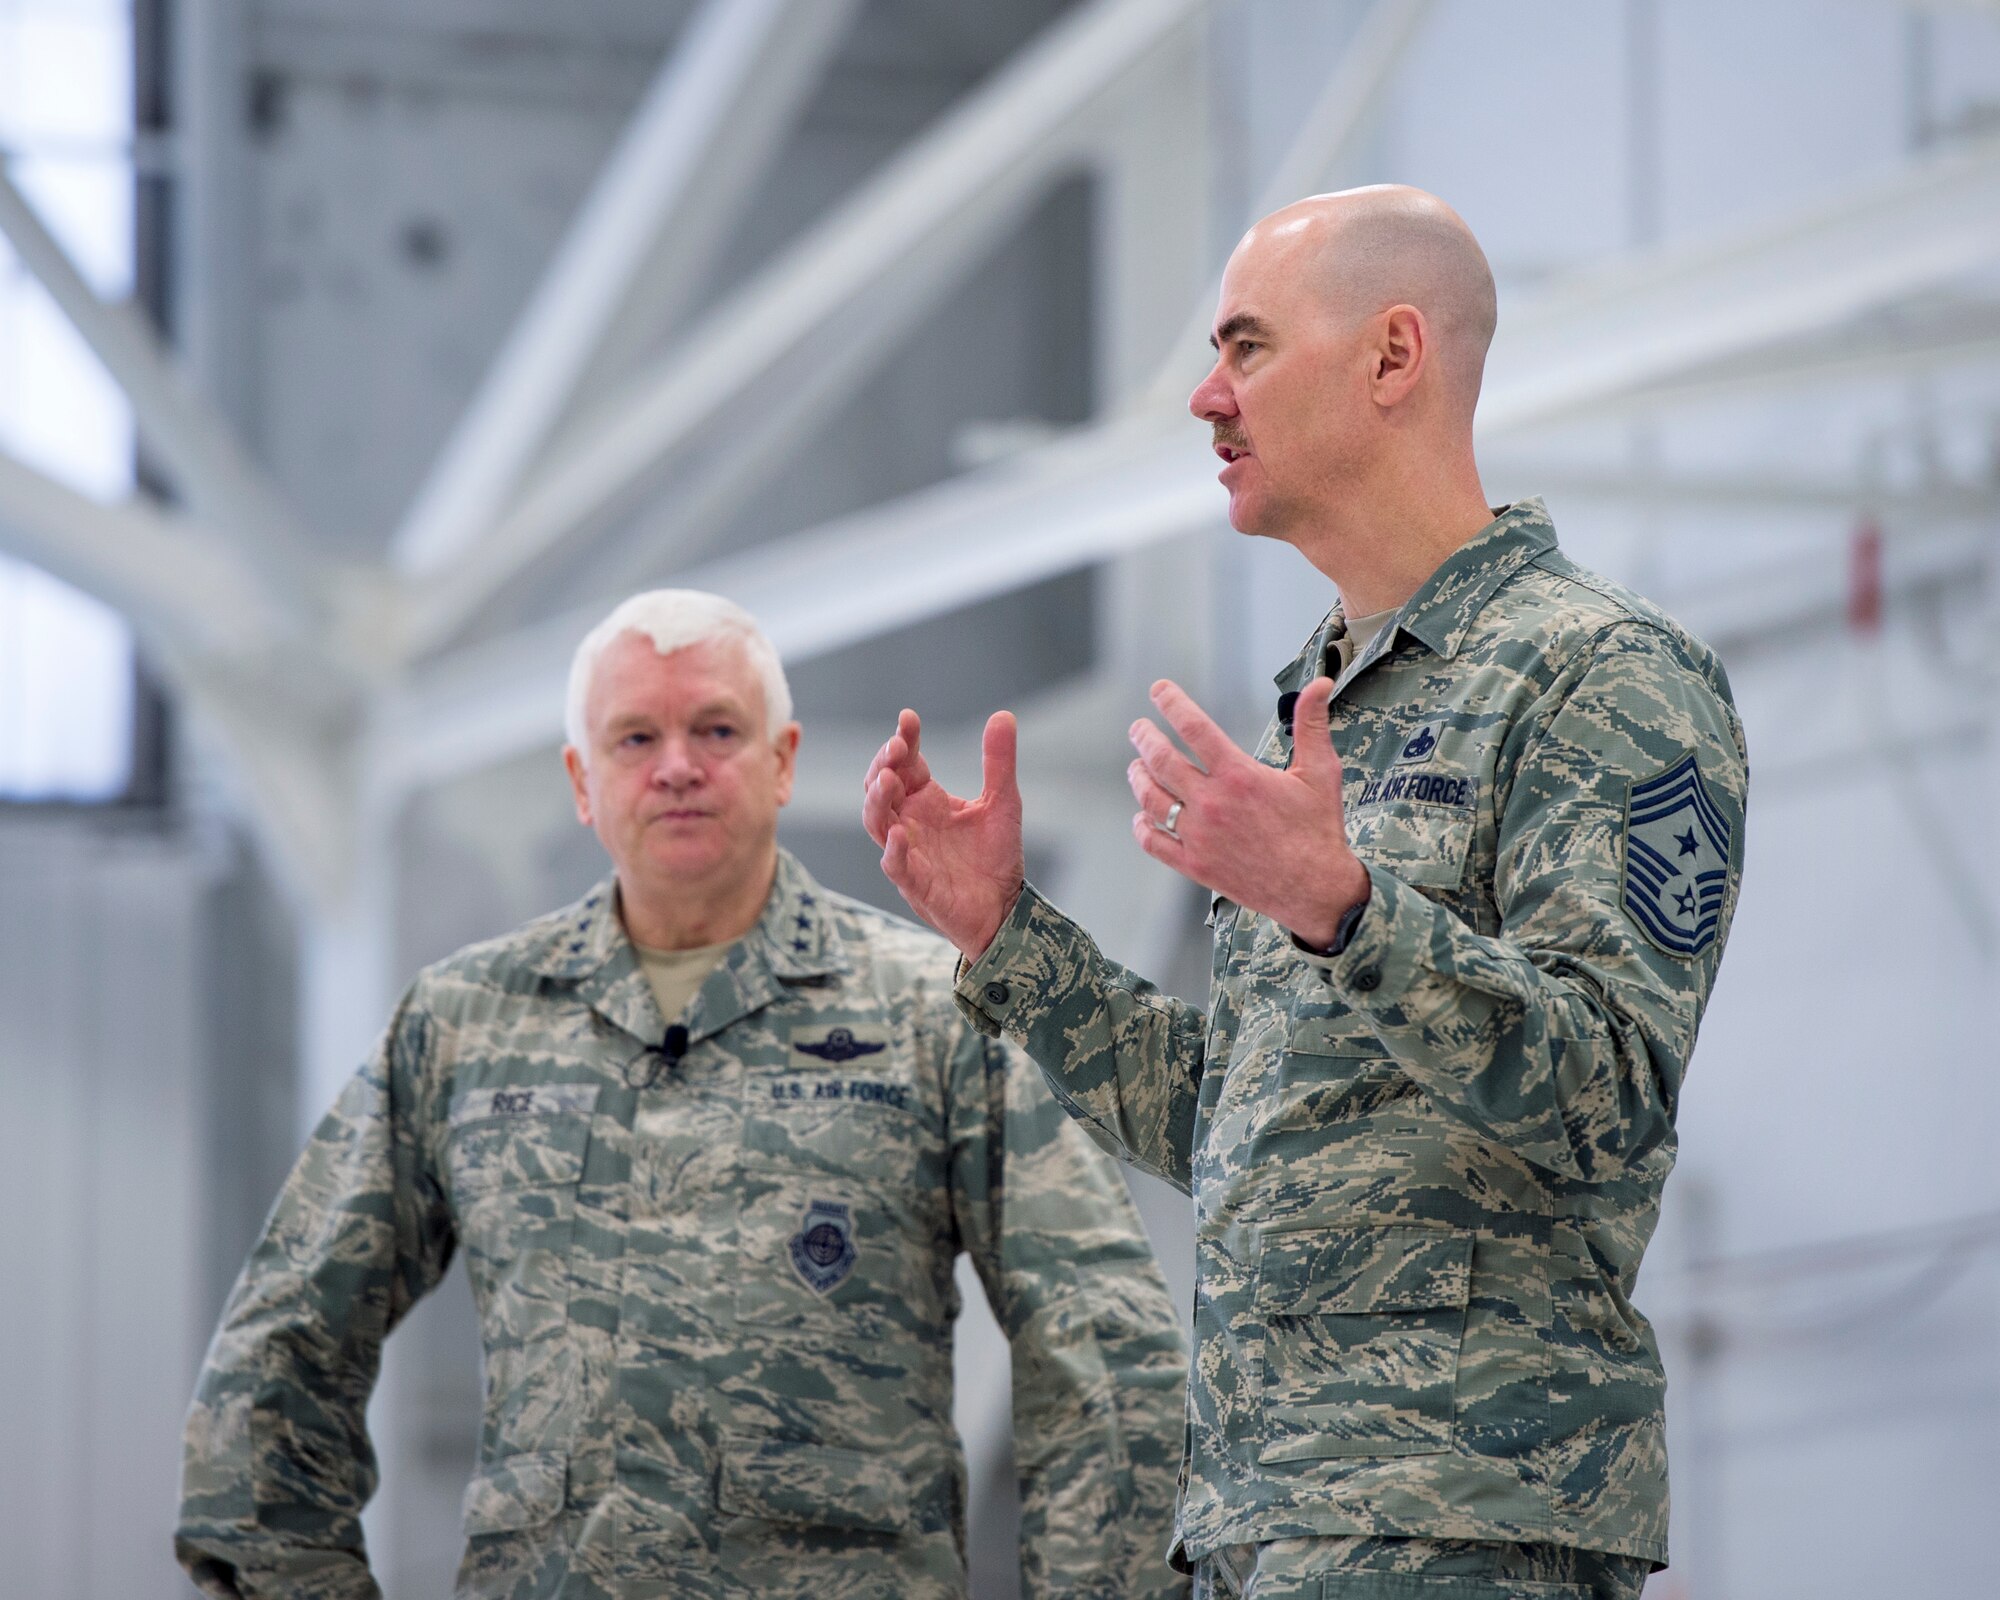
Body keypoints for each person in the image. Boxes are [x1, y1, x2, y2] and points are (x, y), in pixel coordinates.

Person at [863, 187, 1748, 1600]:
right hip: (1261, 1521)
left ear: (1394, 358)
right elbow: (1247, 1121)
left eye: (1249, 347)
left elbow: (1609, 1096)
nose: (1209, 398)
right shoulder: (1324, 707)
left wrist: (1347, 914)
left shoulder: (1607, 677)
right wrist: (1009, 942)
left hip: (1463, 1524)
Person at [177, 590, 1190, 1600]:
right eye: (633, 737)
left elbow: (1107, 1351)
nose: (676, 764)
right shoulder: (466, 1025)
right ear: (581, 780)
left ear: (784, 759)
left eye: (715, 728)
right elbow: (279, 1353)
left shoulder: (936, 1013)